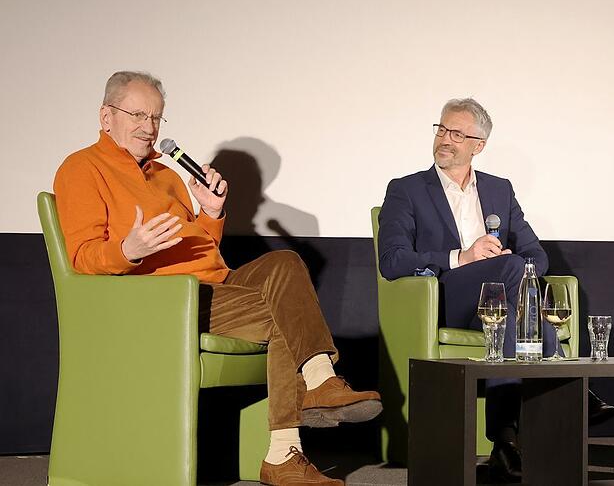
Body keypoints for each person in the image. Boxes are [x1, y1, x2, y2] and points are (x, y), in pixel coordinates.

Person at [53, 71, 381, 486]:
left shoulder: (169, 175)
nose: (149, 127)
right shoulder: (81, 168)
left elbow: (202, 250)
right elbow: (82, 258)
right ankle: (288, 443)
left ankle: (318, 384)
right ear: (106, 117)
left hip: (215, 286)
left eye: (157, 117)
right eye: (137, 114)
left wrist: (210, 212)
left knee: (285, 263)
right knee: (285, 314)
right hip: (164, 299)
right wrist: (128, 249)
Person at [377, 98, 614, 482]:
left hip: (498, 303)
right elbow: (392, 260)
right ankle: (569, 383)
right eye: (441, 129)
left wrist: (516, 269)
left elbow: (536, 255)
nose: (445, 139)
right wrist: (463, 256)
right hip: (441, 298)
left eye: (457, 133)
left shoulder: (499, 190)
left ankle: (505, 443)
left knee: (510, 294)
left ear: (479, 145)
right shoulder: (406, 190)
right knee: (510, 270)